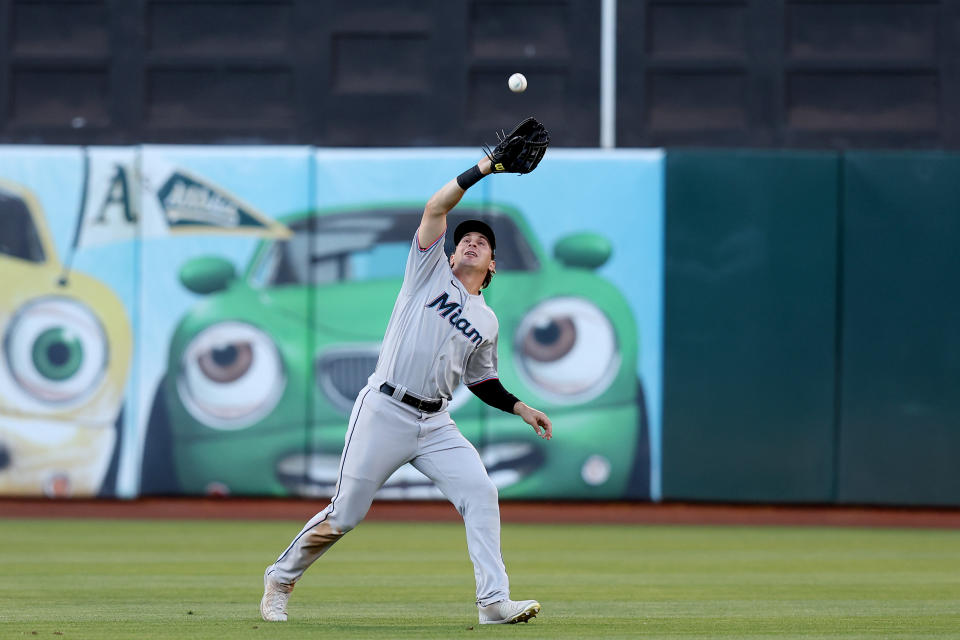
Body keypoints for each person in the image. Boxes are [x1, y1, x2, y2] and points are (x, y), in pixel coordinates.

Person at [259, 152, 553, 625]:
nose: (471, 244)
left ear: (493, 265)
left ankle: (494, 602)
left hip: (436, 422)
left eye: (481, 242)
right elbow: (437, 209)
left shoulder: (487, 321)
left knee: (481, 493)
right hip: (385, 409)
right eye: (465, 240)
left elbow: (481, 380)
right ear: (451, 253)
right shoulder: (427, 273)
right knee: (346, 515)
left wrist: (521, 407)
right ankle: (281, 576)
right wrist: (486, 166)